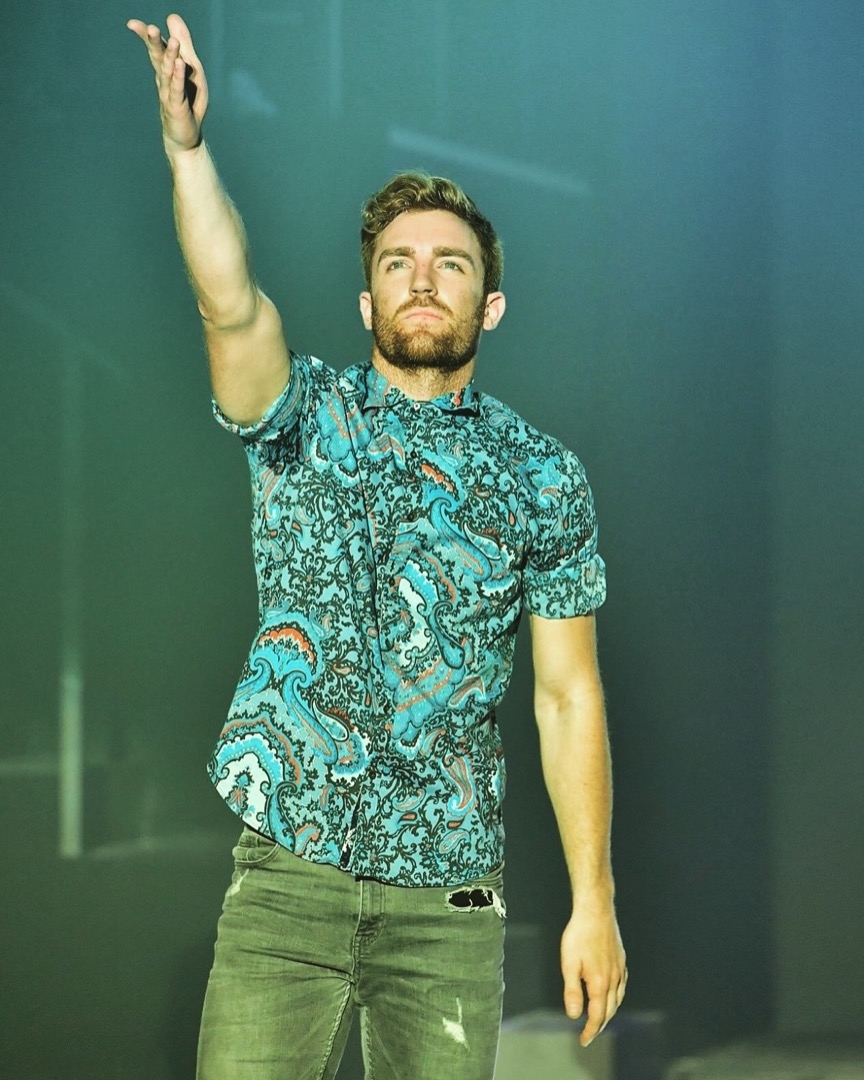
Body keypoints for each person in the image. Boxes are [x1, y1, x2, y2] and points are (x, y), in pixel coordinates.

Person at [128, 14, 626, 1080]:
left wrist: (595, 899)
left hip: (448, 898)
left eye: (451, 264)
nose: (422, 279)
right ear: (367, 300)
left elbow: (567, 695)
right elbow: (228, 301)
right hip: (286, 880)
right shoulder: (302, 414)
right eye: (399, 263)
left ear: (490, 303)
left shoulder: (543, 476)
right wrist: (187, 151)